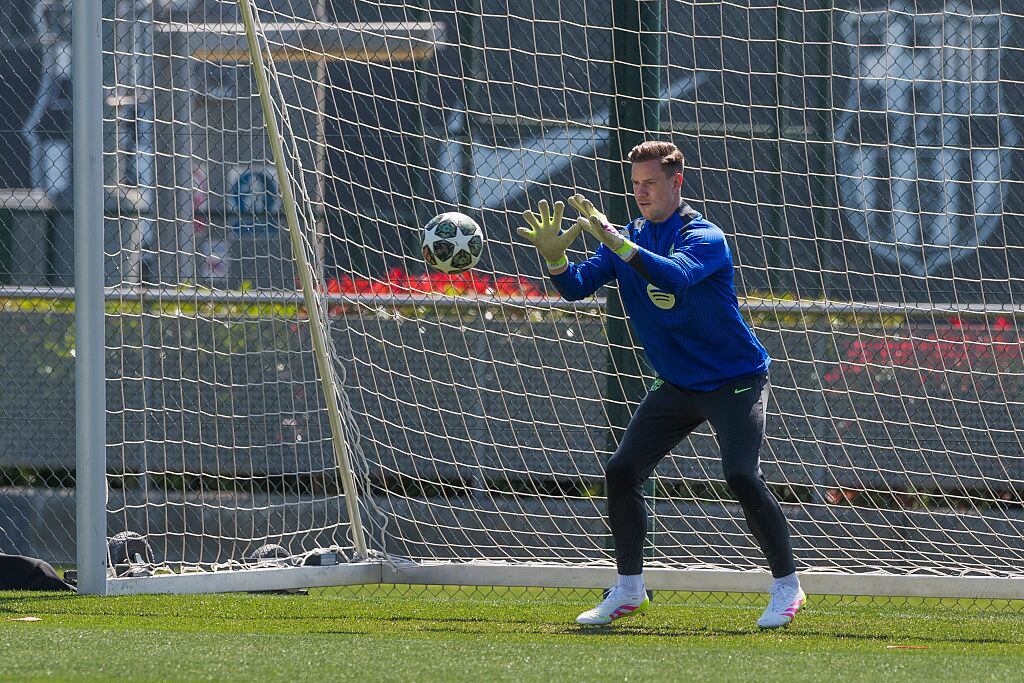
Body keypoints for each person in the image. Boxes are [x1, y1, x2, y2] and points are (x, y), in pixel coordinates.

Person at [516, 140, 804, 629]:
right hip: (676, 384)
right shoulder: (628, 235)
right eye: (636, 184)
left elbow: (674, 277)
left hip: (734, 379)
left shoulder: (704, 236)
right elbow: (577, 287)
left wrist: (617, 242)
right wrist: (556, 261)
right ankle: (629, 590)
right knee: (622, 471)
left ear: (677, 182)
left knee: (740, 475)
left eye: (650, 183)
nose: (642, 192)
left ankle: (788, 586)